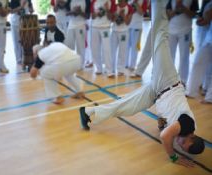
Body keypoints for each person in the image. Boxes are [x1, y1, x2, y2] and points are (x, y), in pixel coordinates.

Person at [79, 0, 205, 167]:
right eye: (184, 145)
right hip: (168, 81)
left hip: (157, 91)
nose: (179, 145)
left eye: (181, 148)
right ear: (192, 137)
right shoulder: (188, 126)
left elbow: (169, 114)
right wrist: (173, 157)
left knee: (126, 106)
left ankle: (88, 112)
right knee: (161, 34)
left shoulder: (182, 130)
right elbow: (165, 136)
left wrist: (162, 121)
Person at [166, 0, 198, 84]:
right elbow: (168, 15)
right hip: (171, 31)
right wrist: (176, 9)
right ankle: (169, 79)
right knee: (169, 56)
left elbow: (193, 15)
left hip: (185, 31)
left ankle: (182, 81)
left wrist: (183, 7)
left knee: (184, 56)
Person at [186, 0, 212, 104]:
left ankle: (210, 98)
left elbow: (208, 14)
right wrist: (202, 20)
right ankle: (191, 91)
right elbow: (207, 17)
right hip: (209, 38)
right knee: (198, 62)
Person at [90, 0, 115, 75]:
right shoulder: (94, 1)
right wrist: (97, 13)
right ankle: (99, 68)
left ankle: (109, 71)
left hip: (105, 28)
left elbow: (111, 17)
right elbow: (92, 16)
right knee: (95, 49)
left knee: (107, 49)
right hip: (95, 27)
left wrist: (107, 9)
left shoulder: (111, 1)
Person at [108, 0, 133, 77]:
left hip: (124, 32)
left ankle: (121, 69)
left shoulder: (129, 8)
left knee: (122, 51)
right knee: (112, 51)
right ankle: (111, 69)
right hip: (114, 31)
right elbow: (112, 20)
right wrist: (117, 14)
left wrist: (123, 15)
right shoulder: (115, 6)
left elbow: (127, 22)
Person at [65, 0, 90, 69]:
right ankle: (69, 63)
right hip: (71, 25)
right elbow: (66, 13)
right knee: (69, 44)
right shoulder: (70, 1)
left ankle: (81, 65)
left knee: (80, 46)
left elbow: (88, 16)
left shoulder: (86, 1)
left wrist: (80, 12)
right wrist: (73, 12)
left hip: (81, 25)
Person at [125, 0, 148, 72]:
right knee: (126, 46)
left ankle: (132, 65)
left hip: (137, 27)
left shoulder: (144, 1)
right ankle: (125, 64)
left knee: (135, 47)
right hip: (127, 26)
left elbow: (142, 12)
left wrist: (135, 3)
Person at [9, 0, 33, 65]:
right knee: (17, 41)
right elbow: (11, 11)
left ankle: (25, 58)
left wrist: (31, 9)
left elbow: (30, 8)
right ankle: (18, 59)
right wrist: (21, 6)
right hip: (15, 22)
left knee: (26, 41)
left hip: (26, 22)